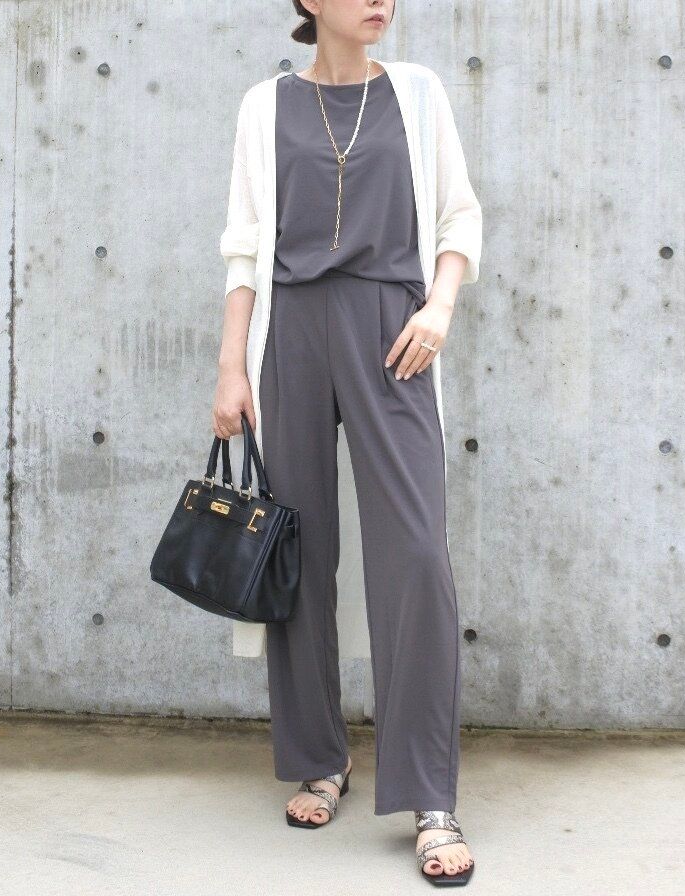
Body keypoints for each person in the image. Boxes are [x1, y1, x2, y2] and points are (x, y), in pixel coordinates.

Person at [213, 0, 482, 885]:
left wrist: (439, 309)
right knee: (298, 549)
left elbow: (458, 217)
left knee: (416, 554)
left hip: (393, 330)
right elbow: (244, 249)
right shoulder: (265, 105)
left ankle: (430, 795)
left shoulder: (418, 93)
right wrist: (231, 367)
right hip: (289, 333)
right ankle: (319, 758)